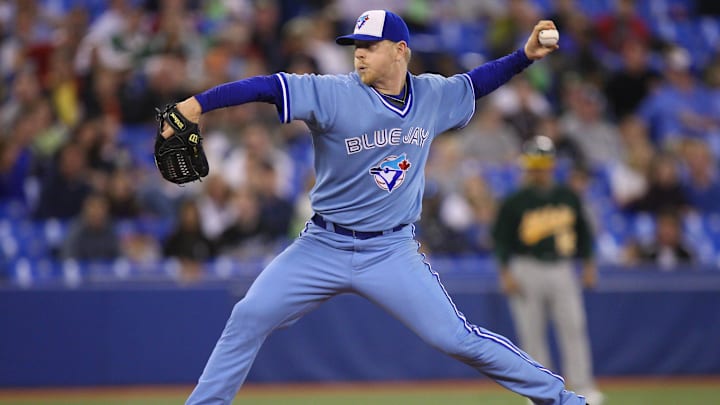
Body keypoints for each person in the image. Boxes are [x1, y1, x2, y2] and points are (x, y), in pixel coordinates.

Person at [161, 10, 588, 404]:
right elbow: (269, 86)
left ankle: (561, 399)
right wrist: (197, 104)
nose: (359, 55)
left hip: (391, 251)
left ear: (400, 51)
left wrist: (524, 57)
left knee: (456, 338)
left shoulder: (433, 95)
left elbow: (477, 82)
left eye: (369, 46)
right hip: (321, 246)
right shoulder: (332, 93)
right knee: (248, 315)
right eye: (355, 47)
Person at [491, 135, 603, 405]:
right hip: (526, 266)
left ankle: (583, 385)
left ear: (551, 165)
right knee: (532, 332)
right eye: (534, 164)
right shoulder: (516, 199)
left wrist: (588, 264)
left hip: (562, 267)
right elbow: (501, 240)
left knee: (573, 327)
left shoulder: (567, 196)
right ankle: (539, 391)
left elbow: (584, 235)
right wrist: (505, 273)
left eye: (542, 164)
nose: (538, 170)